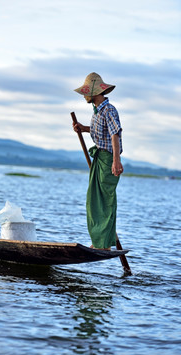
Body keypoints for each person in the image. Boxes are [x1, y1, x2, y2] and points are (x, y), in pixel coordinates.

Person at [73, 72, 123, 250]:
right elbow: (100, 133)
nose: (85, 96)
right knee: (94, 201)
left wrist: (116, 161)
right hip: (100, 157)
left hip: (108, 158)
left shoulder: (109, 109)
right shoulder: (97, 111)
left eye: (86, 92)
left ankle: (103, 245)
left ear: (94, 92)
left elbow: (114, 134)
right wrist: (83, 128)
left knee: (104, 201)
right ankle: (101, 242)